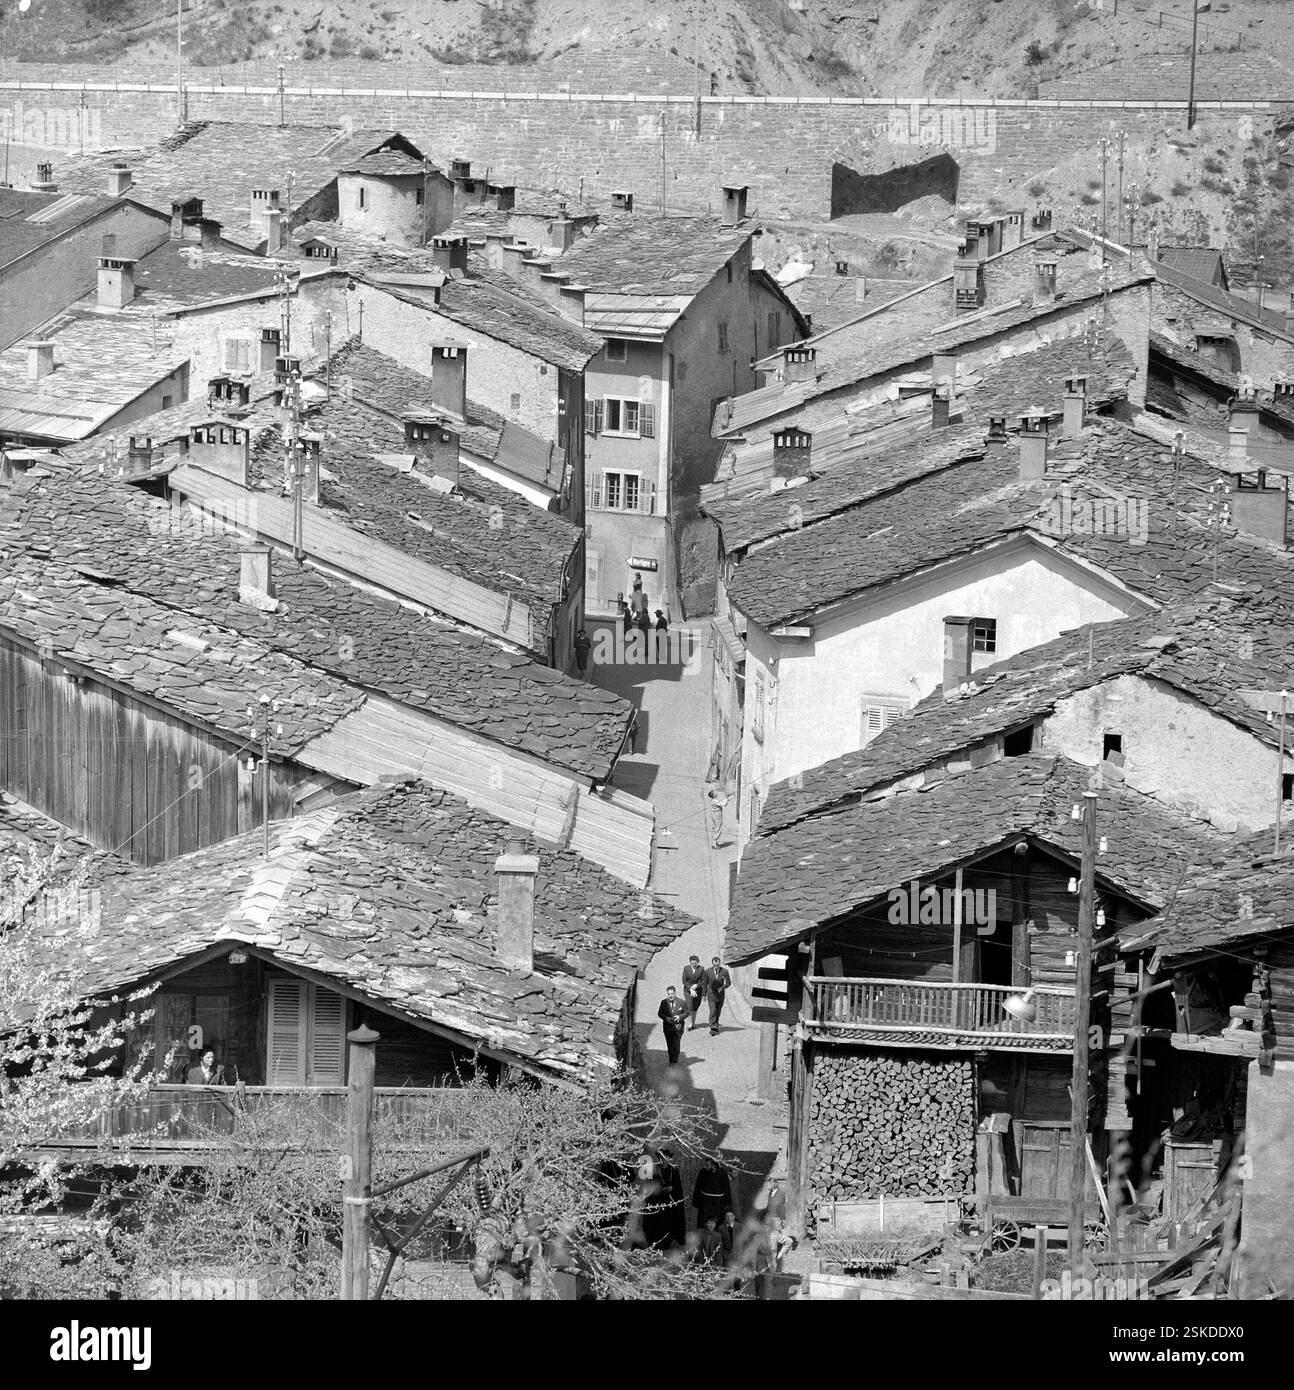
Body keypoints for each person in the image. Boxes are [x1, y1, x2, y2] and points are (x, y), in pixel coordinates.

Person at [692, 1160, 733, 1228]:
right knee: (703, 1222)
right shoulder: (703, 1172)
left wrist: (727, 1204)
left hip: (718, 1203)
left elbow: (727, 1189)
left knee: (717, 1222)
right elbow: (698, 1186)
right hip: (705, 1203)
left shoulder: (722, 1173)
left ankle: (716, 1237)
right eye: (705, 1165)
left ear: (714, 1166)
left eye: (707, 1165)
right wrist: (696, 1201)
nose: (705, 1167)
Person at [656, 986, 688, 1065]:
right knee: (670, 1046)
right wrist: (667, 1019)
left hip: (678, 1027)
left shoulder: (682, 1002)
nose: (670, 996)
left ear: (675, 993)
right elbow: (660, 1013)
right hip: (668, 1027)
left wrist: (679, 1017)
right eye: (669, 994)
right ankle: (671, 1061)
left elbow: (687, 1013)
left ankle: (675, 1061)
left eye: (672, 994)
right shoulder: (664, 1002)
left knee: (676, 1045)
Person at [705, 955, 732, 1035]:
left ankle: (715, 1025)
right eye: (714, 965)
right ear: (712, 964)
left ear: (719, 964)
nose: (716, 967)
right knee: (713, 1011)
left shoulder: (724, 971)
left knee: (718, 1011)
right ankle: (713, 1028)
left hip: (720, 995)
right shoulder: (708, 971)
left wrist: (722, 987)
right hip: (711, 995)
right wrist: (704, 995)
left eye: (717, 965)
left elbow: (728, 983)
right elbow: (705, 983)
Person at [681, 954, 706, 1031]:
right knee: (690, 1007)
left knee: (695, 1007)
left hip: (698, 990)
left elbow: (703, 981)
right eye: (692, 963)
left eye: (695, 963)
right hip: (688, 991)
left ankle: (693, 1023)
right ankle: (690, 1024)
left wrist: (697, 986)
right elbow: (684, 981)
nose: (694, 965)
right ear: (690, 963)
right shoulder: (686, 968)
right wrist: (690, 989)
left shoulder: (701, 969)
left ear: (697, 962)